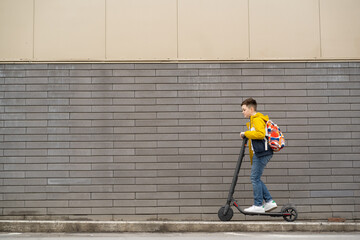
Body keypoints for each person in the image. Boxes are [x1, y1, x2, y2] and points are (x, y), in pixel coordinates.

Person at [240, 98, 277, 213]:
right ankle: (269, 202)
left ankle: (258, 205)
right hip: (260, 153)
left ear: (251, 109)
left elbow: (260, 134)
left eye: (244, 109)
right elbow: (257, 136)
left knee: (254, 178)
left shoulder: (257, 119)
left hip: (262, 153)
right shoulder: (254, 119)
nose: (243, 112)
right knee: (256, 178)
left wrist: (245, 133)